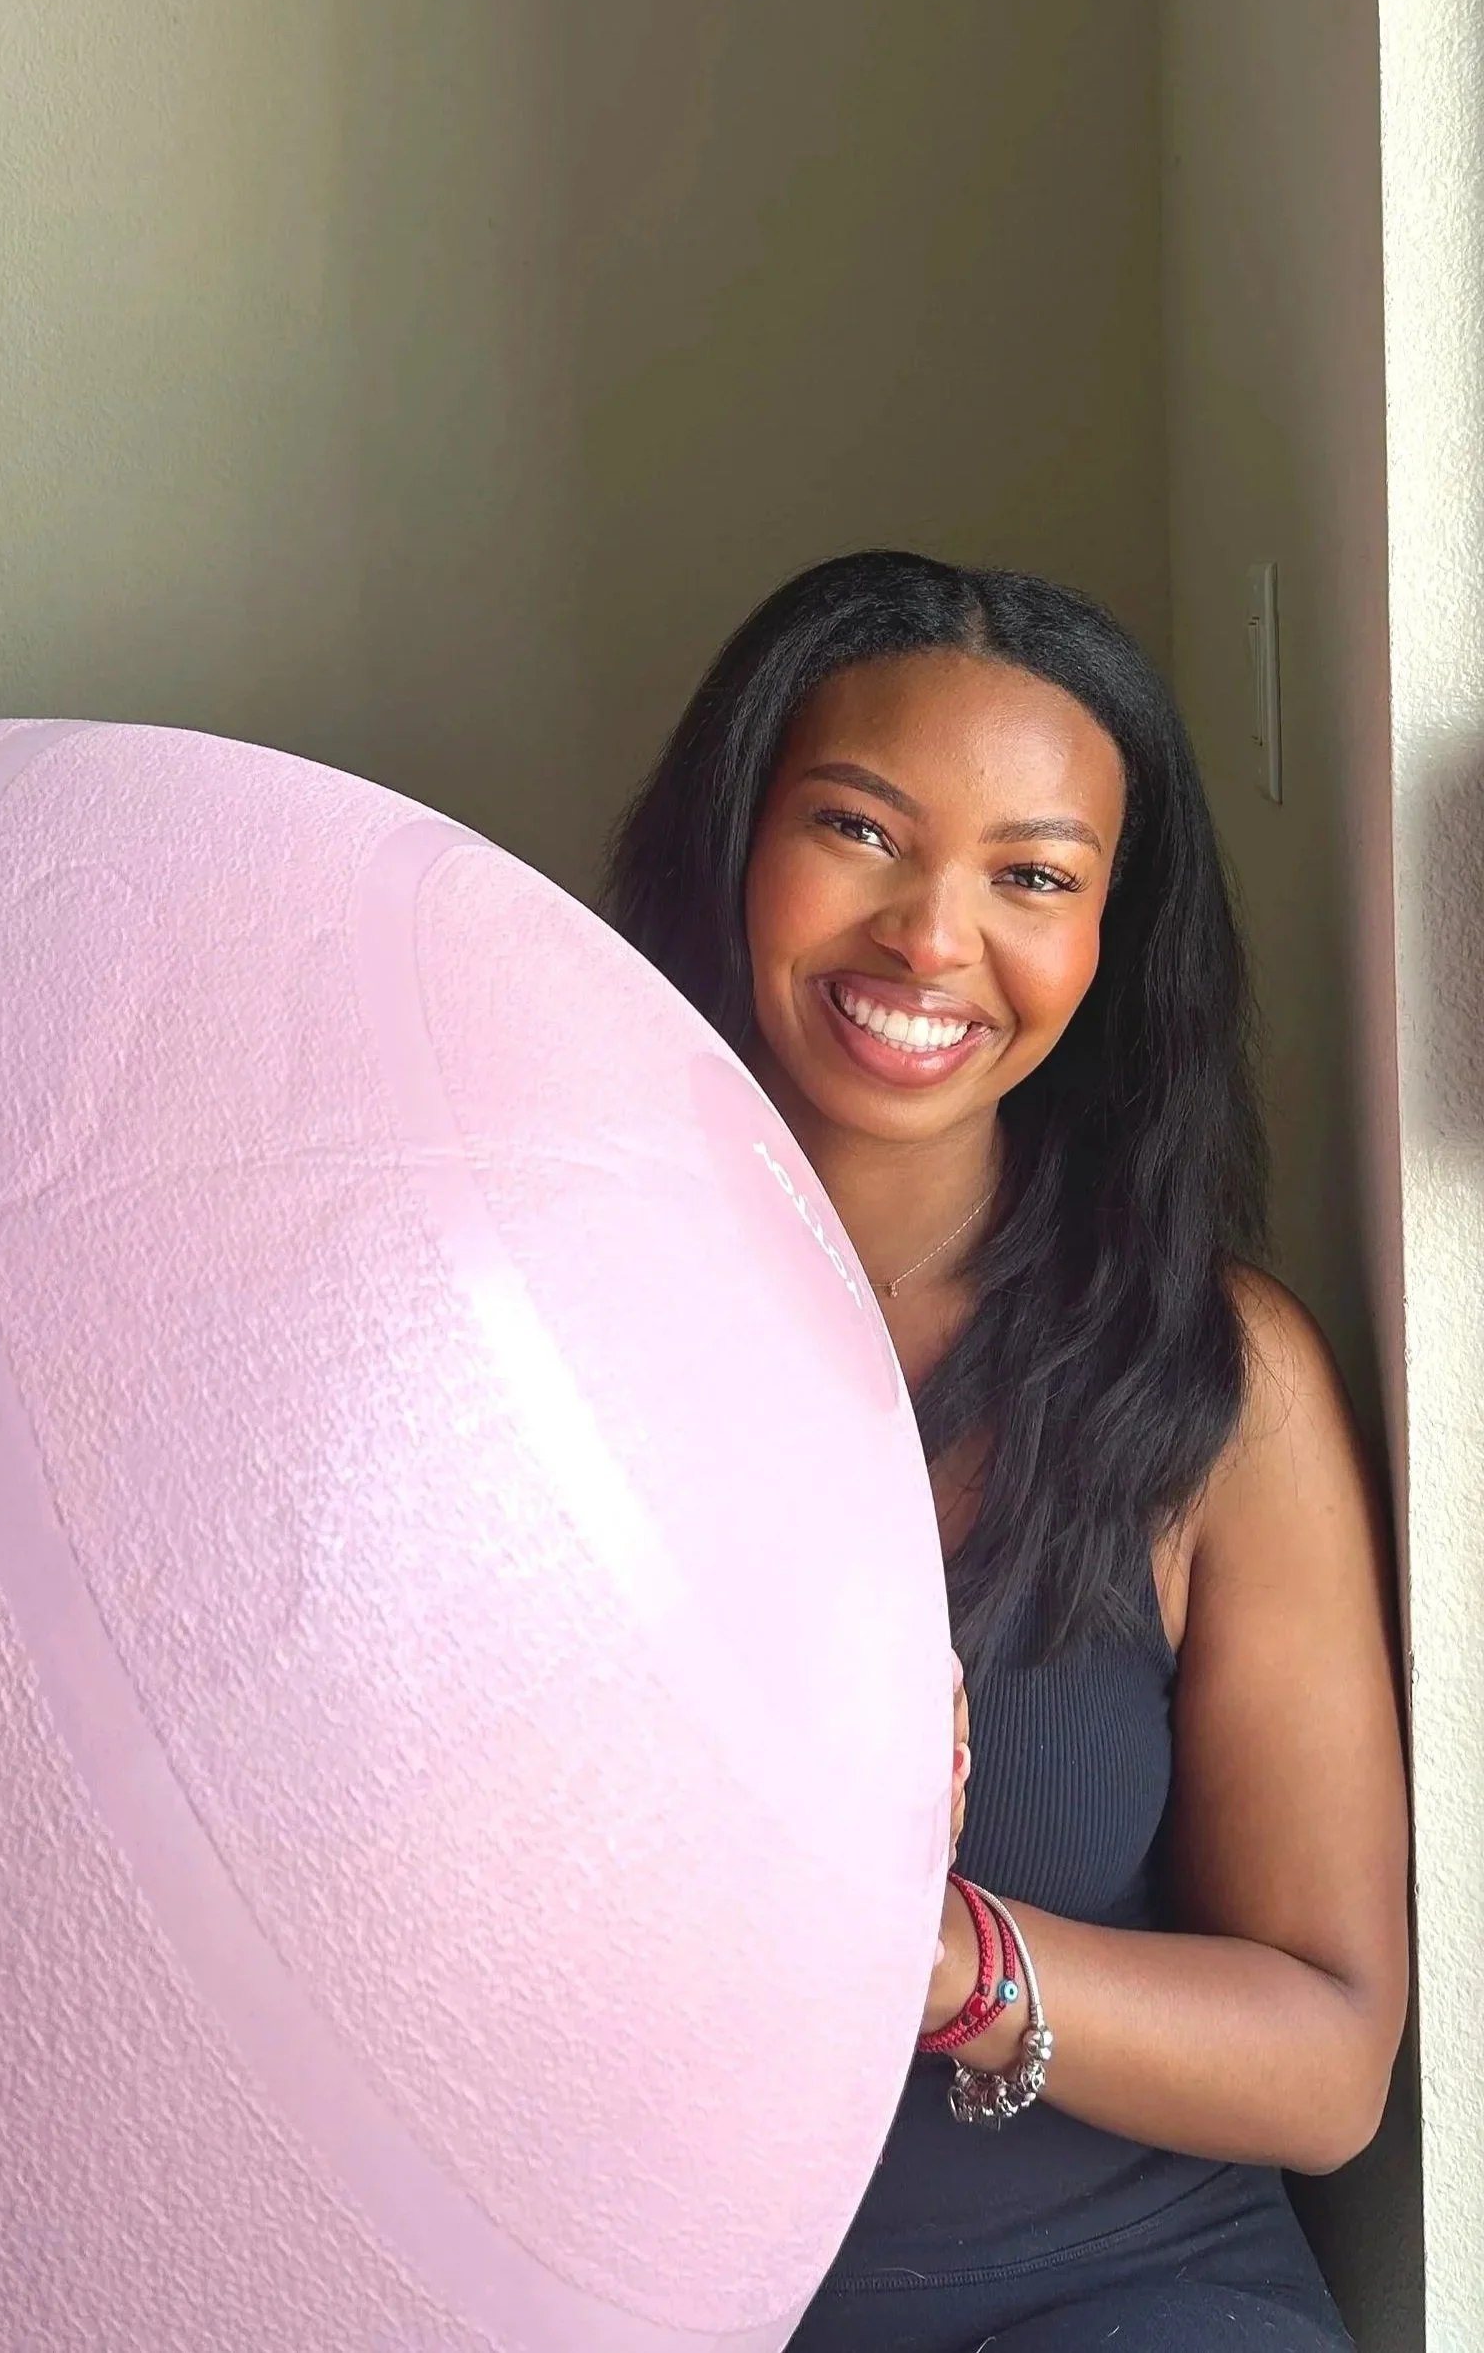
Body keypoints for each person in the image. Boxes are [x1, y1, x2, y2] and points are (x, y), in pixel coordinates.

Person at [603, 551, 1410, 2353]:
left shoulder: (1219, 1379)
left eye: (1032, 874)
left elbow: (1331, 2054)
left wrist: (931, 1954)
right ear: (734, 841)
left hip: (1123, 2295)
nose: (930, 936)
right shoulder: (521, 1313)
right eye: (862, 830)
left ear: (1109, 937)